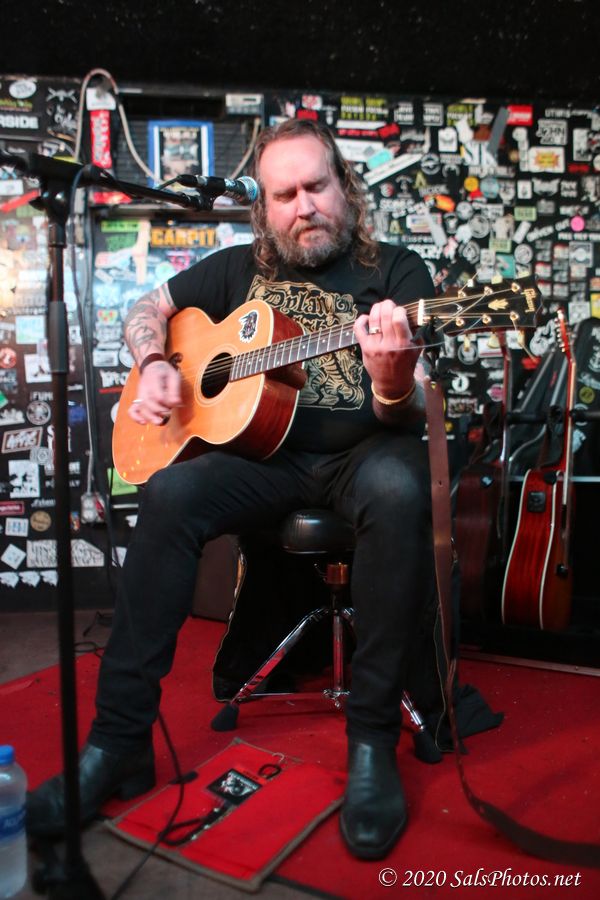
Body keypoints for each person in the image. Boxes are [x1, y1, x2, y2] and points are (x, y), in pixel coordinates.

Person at [27, 118, 437, 861]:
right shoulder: (237, 269)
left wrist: (391, 377)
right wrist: (154, 361)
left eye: (316, 186)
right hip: (267, 461)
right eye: (285, 194)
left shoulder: (399, 275)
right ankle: (118, 742)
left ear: (345, 187)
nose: (304, 206)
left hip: (362, 453)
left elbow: (405, 413)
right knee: (169, 495)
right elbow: (147, 308)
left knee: (399, 485)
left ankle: (372, 742)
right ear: (264, 207)